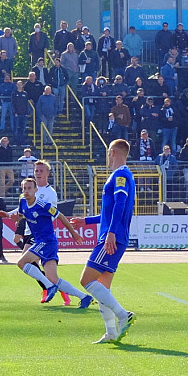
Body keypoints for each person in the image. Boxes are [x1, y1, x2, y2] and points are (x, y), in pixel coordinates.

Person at [69, 139, 136, 343]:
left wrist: (111, 233)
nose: (107, 157)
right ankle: (111, 332)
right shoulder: (122, 175)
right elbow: (110, 211)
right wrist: (87, 220)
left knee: (86, 280)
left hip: (112, 237)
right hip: (115, 235)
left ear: (113, 152)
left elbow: (120, 205)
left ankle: (123, 315)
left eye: (108, 153)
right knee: (102, 287)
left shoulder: (120, 175)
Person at [0, 178, 91, 306]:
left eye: (29, 188)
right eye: (24, 188)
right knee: (53, 278)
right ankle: (84, 297)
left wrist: (73, 232)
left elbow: (60, 215)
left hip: (46, 241)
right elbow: (21, 215)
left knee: (21, 263)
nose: (26, 191)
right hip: (44, 242)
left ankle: (49, 287)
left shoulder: (43, 205)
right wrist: (15, 218)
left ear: (36, 190)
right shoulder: (22, 202)